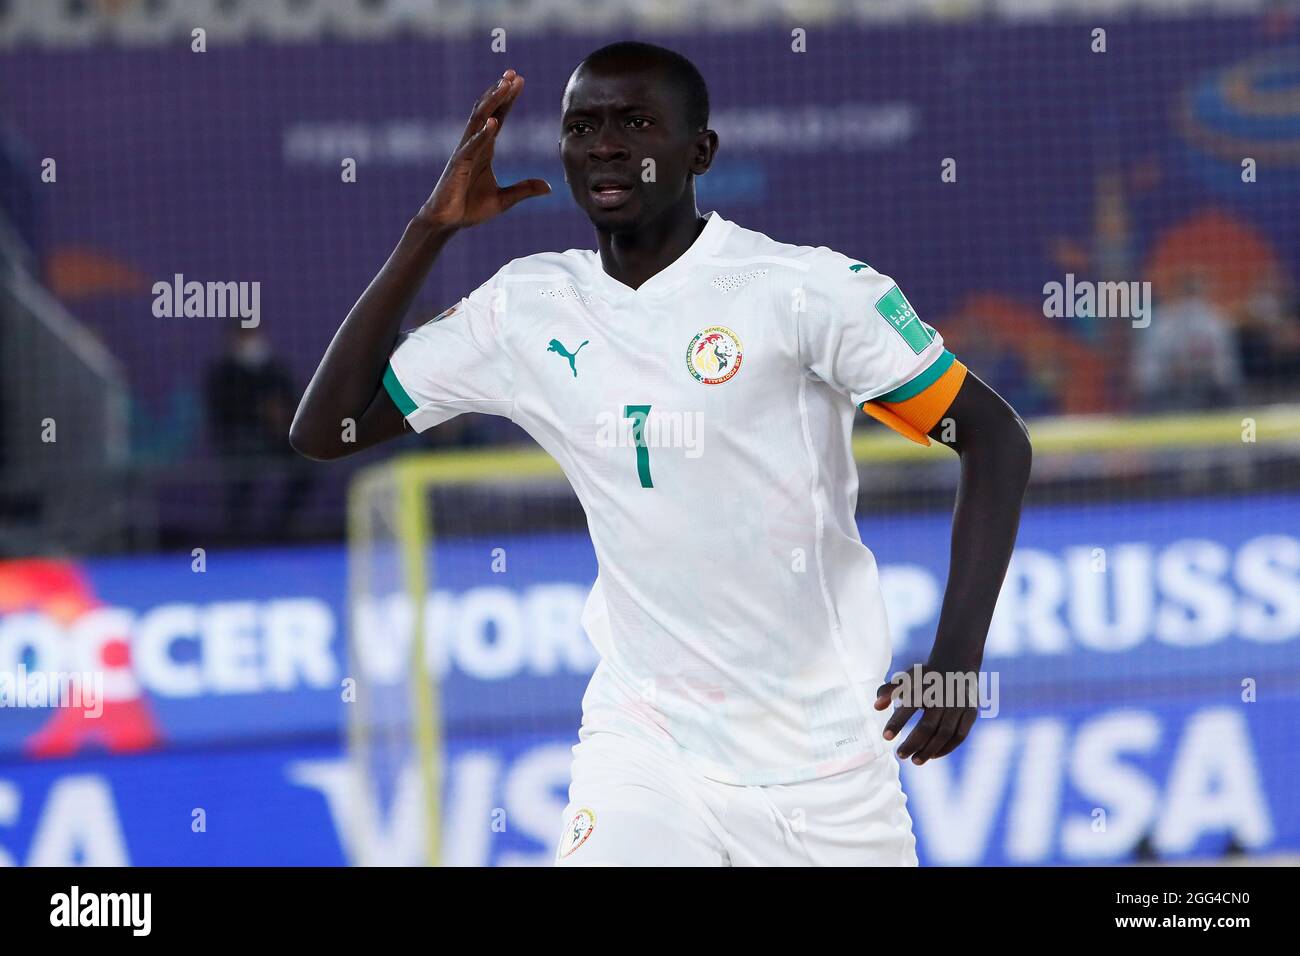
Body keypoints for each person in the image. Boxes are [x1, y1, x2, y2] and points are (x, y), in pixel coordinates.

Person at [290, 43, 1032, 866]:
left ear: (700, 152)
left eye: (636, 123)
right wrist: (428, 233)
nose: (605, 145)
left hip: (826, 766)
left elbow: (995, 440)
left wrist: (957, 661)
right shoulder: (526, 307)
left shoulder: (803, 291)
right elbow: (328, 430)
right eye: (582, 127)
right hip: (644, 743)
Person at [204, 325, 312, 539]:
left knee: (307, 461)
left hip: (277, 438)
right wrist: (259, 413)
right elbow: (222, 414)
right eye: (244, 334)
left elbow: (294, 403)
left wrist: (282, 418)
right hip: (241, 439)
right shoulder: (223, 373)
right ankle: (238, 533)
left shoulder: (275, 369)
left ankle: (282, 525)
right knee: (244, 465)